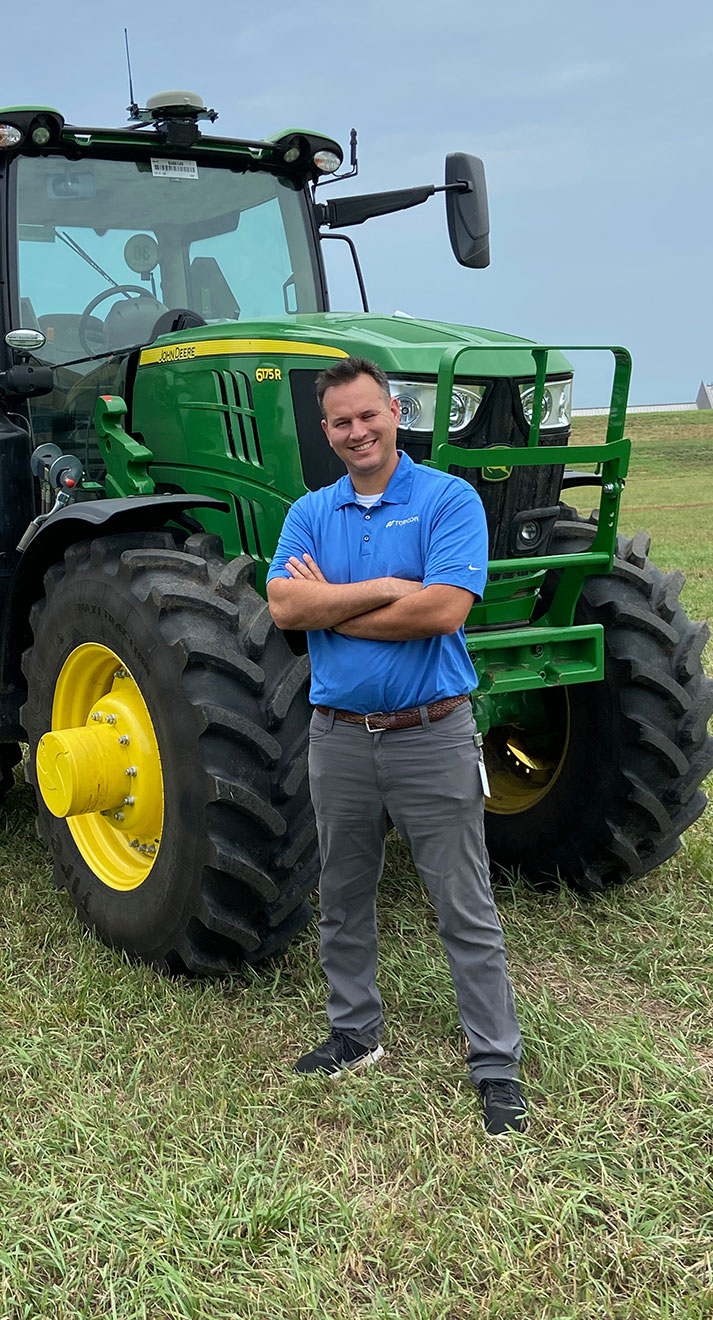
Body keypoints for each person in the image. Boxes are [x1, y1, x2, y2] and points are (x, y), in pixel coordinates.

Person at [266, 355, 527, 1136]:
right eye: (341, 421)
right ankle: (355, 1034)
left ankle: (496, 1066)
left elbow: (443, 611)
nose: (358, 431)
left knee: (463, 905)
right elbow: (284, 606)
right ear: (326, 431)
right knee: (343, 896)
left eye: (368, 415)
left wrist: (330, 605)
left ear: (394, 414)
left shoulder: (448, 499)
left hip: (431, 734)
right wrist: (385, 590)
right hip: (338, 738)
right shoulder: (310, 512)